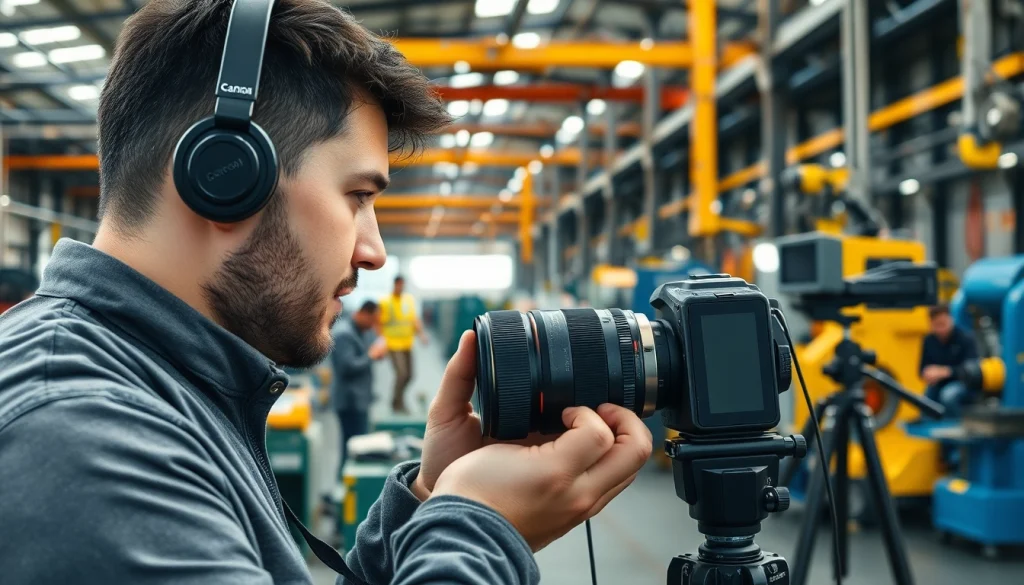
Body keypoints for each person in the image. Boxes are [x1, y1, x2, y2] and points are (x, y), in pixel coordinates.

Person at [0, 1, 652, 584]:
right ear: (225, 176)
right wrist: (481, 524)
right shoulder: (78, 438)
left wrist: (428, 499)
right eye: (358, 196)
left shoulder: (163, 387)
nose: (374, 250)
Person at [330, 300, 387, 474]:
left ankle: (347, 483)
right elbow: (347, 368)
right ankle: (344, 484)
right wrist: (371, 356)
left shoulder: (363, 331)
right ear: (364, 314)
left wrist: (378, 349)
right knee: (351, 447)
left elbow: (373, 345)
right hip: (349, 402)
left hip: (360, 400)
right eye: (373, 320)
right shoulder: (343, 334)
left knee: (357, 446)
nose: (373, 325)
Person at [919, 304, 980, 418]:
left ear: (951, 319)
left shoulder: (965, 338)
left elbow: (973, 372)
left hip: (963, 384)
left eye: (943, 324)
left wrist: (946, 372)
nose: (940, 329)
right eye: (937, 325)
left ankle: (957, 424)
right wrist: (927, 372)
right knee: (925, 401)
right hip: (938, 384)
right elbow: (921, 369)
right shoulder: (929, 341)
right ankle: (930, 426)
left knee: (948, 396)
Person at [379, 275, 427, 413]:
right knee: (401, 373)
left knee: (410, 375)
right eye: (398, 284)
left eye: (402, 285)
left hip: (407, 343)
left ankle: (397, 400)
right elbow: (378, 323)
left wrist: (421, 334)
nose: (401, 287)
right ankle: (398, 404)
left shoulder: (408, 300)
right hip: (393, 344)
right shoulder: (385, 302)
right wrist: (381, 342)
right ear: (394, 284)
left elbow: (414, 319)